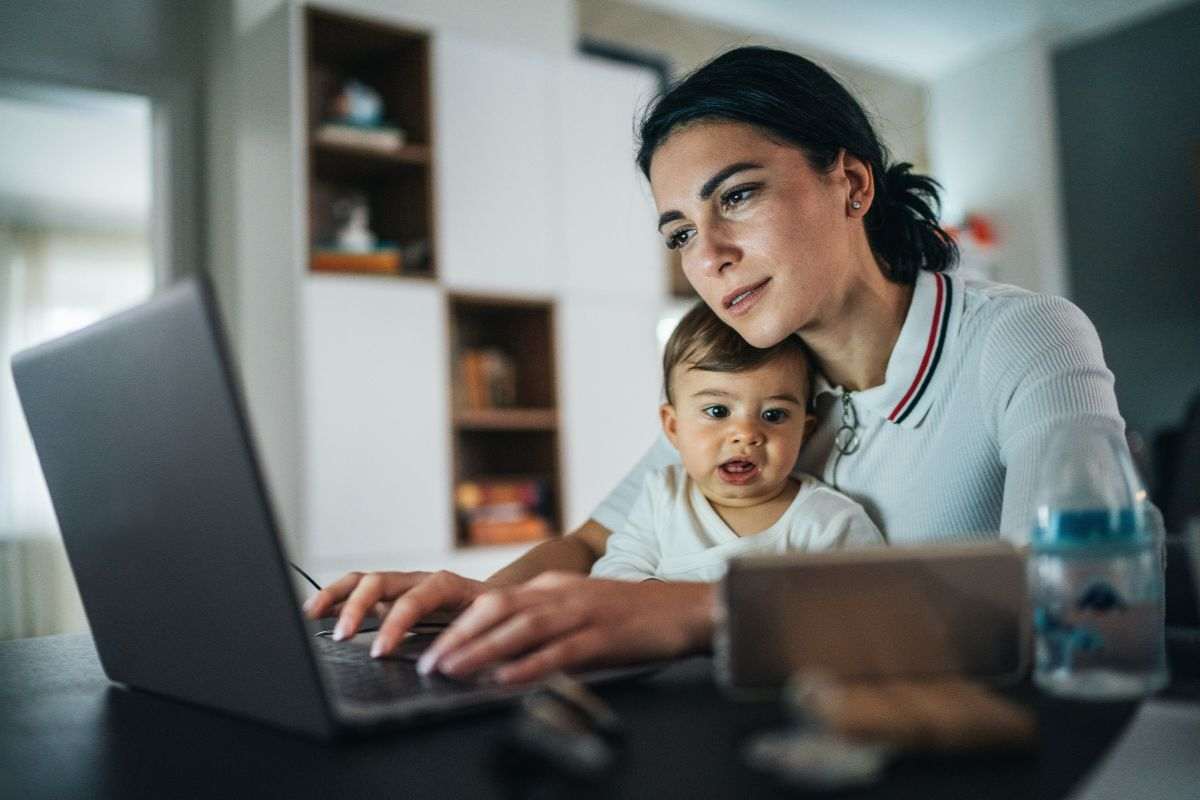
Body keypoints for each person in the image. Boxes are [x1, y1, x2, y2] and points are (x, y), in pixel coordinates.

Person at [304, 46, 1126, 686]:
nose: (712, 256)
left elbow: (1089, 597)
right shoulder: (755, 379)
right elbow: (593, 543)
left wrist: (708, 611)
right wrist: (483, 601)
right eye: (680, 233)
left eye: (736, 196)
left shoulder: (1023, 338)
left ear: (849, 183)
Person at [592, 300, 882, 583]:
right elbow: (615, 571)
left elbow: (869, 611)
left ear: (803, 432)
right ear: (673, 427)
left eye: (774, 414)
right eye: (718, 411)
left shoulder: (828, 522)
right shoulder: (663, 496)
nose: (746, 433)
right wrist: (653, 598)